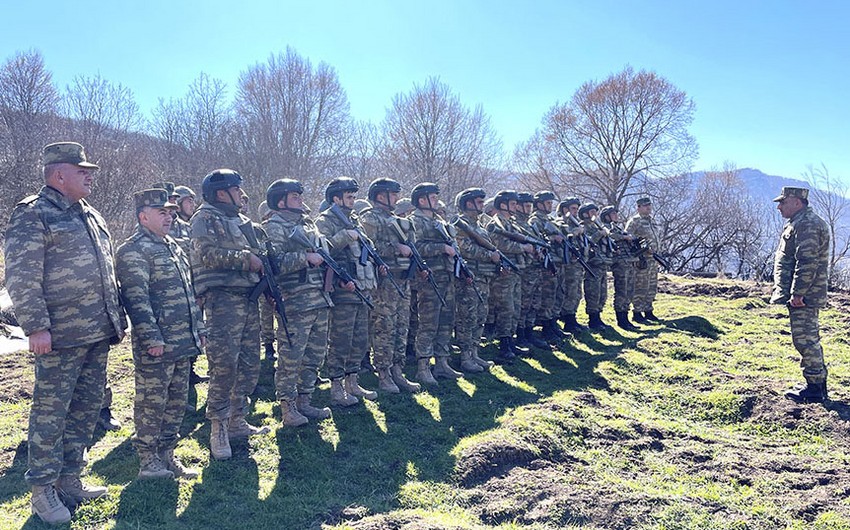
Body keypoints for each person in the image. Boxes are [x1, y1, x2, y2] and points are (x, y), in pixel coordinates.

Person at [5, 142, 126, 524]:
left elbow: (105, 272)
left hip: (96, 331)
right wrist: (36, 326)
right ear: (59, 175)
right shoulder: (33, 213)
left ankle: (70, 478)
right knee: (51, 413)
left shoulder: (89, 213)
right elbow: (22, 276)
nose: (90, 175)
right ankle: (41, 491)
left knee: (86, 409)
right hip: (59, 335)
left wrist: (114, 319)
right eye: (82, 170)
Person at [115, 189, 205, 480]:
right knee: (152, 402)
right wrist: (152, 338)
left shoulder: (173, 246)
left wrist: (198, 330)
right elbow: (137, 300)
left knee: (177, 400)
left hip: (182, 340)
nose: (169, 217)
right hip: (158, 344)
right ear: (143, 217)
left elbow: (189, 294)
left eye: (171, 212)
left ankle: (167, 454)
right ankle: (147, 460)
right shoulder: (133, 251)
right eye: (161, 213)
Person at [191, 169, 269, 460]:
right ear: (222, 193)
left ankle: (238, 419)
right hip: (223, 301)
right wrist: (244, 259)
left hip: (248, 299)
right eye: (236, 189)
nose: (241, 194)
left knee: (249, 364)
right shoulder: (204, 218)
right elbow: (205, 253)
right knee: (224, 365)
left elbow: (261, 252)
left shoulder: (241, 220)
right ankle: (218, 426)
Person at [262, 179, 334, 425]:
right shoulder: (274, 226)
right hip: (296, 301)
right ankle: (288, 407)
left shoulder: (307, 223)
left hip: (319, 299)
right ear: (280, 201)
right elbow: (274, 264)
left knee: (315, 354)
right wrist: (305, 257)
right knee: (291, 356)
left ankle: (305, 400)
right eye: (295, 197)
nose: (301, 200)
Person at [314, 177, 378, 406]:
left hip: (362, 287)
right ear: (336, 198)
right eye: (349, 196)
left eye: (353, 196)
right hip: (343, 290)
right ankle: (336, 386)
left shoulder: (355, 220)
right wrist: (344, 236)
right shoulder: (325, 221)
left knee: (359, 339)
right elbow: (322, 250)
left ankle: (353, 381)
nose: (353, 200)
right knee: (341, 339)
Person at [358, 179, 421, 393]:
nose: (396, 198)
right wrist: (396, 248)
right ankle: (383, 374)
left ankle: (397, 370)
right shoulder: (370, 218)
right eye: (392, 194)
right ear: (380, 196)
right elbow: (367, 247)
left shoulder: (398, 220)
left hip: (403, 280)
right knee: (384, 328)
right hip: (384, 283)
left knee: (401, 327)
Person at [770, 187, 830, 403]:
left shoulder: (807, 224)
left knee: (805, 340)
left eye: (782, 202)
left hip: (805, 295)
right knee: (807, 339)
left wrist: (798, 293)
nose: (779, 207)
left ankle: (814, 389)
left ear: (796, 202)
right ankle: (817, 385)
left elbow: (807, 261)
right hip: (804, 294)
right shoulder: (799, 222)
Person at [409, 182, 463, 384]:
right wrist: (441, 247)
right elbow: (415, 247)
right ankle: (423, 366)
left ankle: (442, 362)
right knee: (428, 323)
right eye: (432, 198)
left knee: (446, 321)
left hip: (446, 276)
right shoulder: (415, 221)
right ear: (421, 200)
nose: (436, 201)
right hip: (429, 279)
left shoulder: (438, 221)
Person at [452, 188, 498, 373]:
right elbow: (464, 249)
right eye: (478, 202)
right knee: (467, 317)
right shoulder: (460, 225)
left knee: (480, 316)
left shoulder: (479, 226)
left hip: (483, 278)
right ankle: (465, 357)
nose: (482, 205)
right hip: (469, 279)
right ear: (468, 203)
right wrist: (489, 255)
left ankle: (474, 352)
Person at [486, 190, 535, 362]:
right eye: (512, 203)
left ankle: (511, 341)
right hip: (503, 273)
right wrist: (524, 248)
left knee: (515, 307)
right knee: (506, 309)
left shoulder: (511, 223)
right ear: (502, 204)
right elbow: (499, 243)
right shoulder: (496, 223)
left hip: (516, 271)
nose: (516, 207)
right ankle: (504, 345)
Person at [599, 206, 639, 331]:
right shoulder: (605, 228)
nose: (616, 215)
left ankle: (625, 317)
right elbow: (610, 236)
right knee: (622, 291)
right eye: (613, 214)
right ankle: (621, 319)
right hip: (619, 263)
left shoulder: (617, 228)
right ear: (606, 216)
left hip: (629, 261)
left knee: (629, 291)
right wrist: (624, 237)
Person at [625, 197, 661, 322]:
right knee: (640, 286)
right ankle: (637, 312)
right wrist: (643, 249)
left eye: (649, 205)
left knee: (651, 286)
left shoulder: (652, 221)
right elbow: (628, 238)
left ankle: (648, 310)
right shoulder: (635, 221)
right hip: (642, 260)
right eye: (645, 206)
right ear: (638, 207)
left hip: (653, 259)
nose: (648, 208)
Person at [556, 198, 588, 333]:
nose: (575, 212)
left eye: (576, 209)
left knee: (576, 293)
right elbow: (562, 236)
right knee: (569, 292)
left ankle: (573, 318)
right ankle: (568, 320)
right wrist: (576, 232)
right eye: (573, 208)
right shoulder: (560, 223)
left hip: (578, 264)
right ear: (565, 209)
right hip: (568, 265)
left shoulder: (577, 223)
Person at [579, 203, 612, 330]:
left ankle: (598, 317)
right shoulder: (583, 227)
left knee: (602, 293)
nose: (595, 214)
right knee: (593, 292)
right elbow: (588, 241)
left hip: (602, 263)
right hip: (592, 265)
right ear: (585, 214)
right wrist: (600, 234)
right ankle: (593, 319)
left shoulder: (597, 226)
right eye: (592, 212)